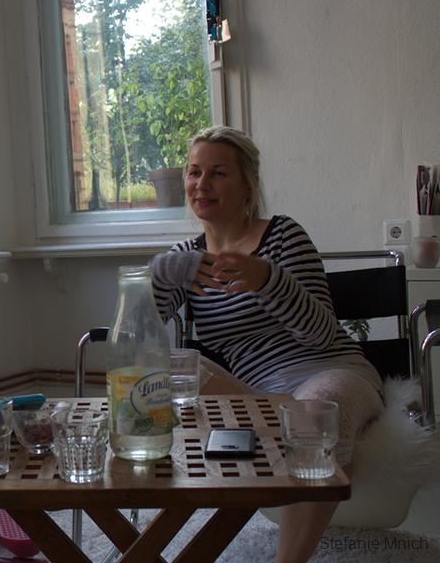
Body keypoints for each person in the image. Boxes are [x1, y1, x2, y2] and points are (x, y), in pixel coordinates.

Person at [150, 125, 384, 563]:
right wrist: (162, 271)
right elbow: (131, 336)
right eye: (194, 172)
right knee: (170, 366)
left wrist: (267, 280)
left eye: (218, 173)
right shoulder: (187, 256)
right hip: (258, 394)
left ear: (248, 186)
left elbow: (321, 333)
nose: (202, 184)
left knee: (311, 412)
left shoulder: (283, 236)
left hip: (329, 370)